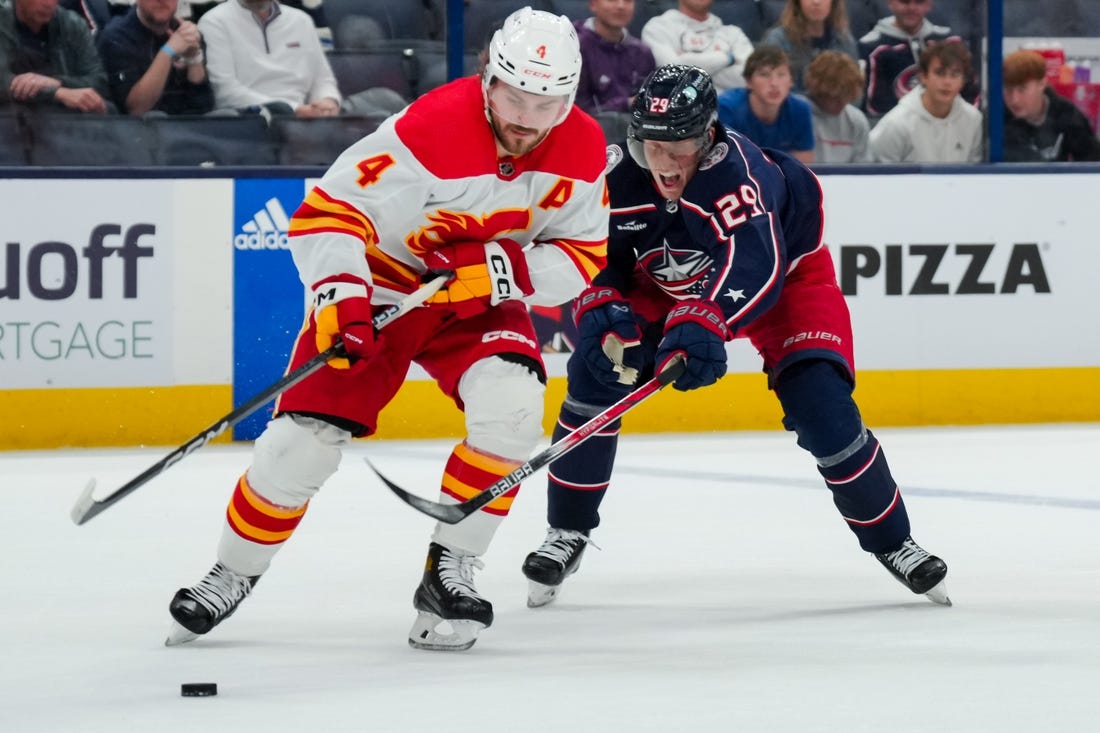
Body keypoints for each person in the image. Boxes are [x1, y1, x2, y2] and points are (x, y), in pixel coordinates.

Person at [165, 7, 609, 652]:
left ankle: (449, 574)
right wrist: (341, 298)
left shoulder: (583, 147)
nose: (525, 119)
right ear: (488, 78)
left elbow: (582, 257)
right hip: (384, 284)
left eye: (546, 105)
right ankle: (231, 571)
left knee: (512, 414)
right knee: (302, 444)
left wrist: (499, 273)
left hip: (481, 297)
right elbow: (327, 214)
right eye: (514, 97)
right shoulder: (429, 129)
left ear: (568, 98)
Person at [520, 63, 950, 612]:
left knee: (822, 406)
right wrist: (599, 301)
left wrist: (703, 320)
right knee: (595, 371)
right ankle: (567, 532)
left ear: (708, 136)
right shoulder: (613, 176)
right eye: (653, 146)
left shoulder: (739, 174)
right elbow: (585, 248)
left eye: (680, 148)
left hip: (786, 281)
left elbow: (755, 264)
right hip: (662, 285)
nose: (665, 164)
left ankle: (896, 542)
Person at [197, 0, 339, 117]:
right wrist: (295, 110)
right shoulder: (214, 22)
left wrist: (327, 101)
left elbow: (323, 79)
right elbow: (225, 92)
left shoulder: (301, 20)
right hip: (248, 120)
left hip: (305, 120)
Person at [857, 0, 977, 120]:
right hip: (898, 132)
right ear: (890, 2)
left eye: (919, 2)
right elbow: (874, 109)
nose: (912, 8)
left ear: (929, 4)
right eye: (904, 1)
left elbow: (971, 95)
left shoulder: (949, 42)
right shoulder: (872, 48)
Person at [868, 39, 982, 163]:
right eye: (940, 73)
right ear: (923, 77)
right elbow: (876, 178)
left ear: (963, 80)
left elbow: (973, 175)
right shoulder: (895, 124)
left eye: (955, 74)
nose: (947, 82)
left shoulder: (973, 119)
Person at [96, 0, 215, 116]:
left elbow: (204, 106)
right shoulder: (116, 37)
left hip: (190, 128)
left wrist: (194, 59)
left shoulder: (185, 32)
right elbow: (136, 109)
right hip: (142, 130)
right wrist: (168, 52)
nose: (161, 1)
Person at [0, 0, 110, 112]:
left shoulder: (73, 24)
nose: (48, 3)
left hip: (65, 122)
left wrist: (58, 81)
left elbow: (99, 82)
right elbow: (4, 81)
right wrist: (56, 92)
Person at [717, 45, 814, 163]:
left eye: (781, 74)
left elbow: (804, 165)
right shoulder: (727, 108)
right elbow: (725, 164)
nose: (774, 83)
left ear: (791, 81)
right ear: (748, 82)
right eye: (764, 75)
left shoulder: (800, 110)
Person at [1002, 49, 1100, 163]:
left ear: (1042, 84)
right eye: (1008, 90)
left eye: (1022, 90)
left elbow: (1092, 160)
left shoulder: (1068, 115)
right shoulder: (998, 120)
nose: (1015, 99)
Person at [641, 0, 753, 93]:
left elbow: (751, 79)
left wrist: (689, 65)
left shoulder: (734, 34)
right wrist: (727, 59)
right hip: (680, 114)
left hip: (729, 113)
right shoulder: (658, 28)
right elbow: (675, 73)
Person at [573, 0, 655, 116]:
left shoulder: (642, 52)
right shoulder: (576, 46)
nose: (621, 6)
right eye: (612, 0)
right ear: (593, 4)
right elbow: (577, 110)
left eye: (627, 1)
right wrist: (625, 104)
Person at [759, 0, 858, 93]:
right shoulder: (777, 40)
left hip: (837, 108)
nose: (816, 2)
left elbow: (854, 88)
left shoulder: (844, 40)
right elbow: (769, 88)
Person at [804, 49, 871, 163]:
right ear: (819, 91)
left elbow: (863, 170)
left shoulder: (856, 121)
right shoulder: (797, 114)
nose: (842, 103)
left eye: (847, 97)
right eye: (835, 98)